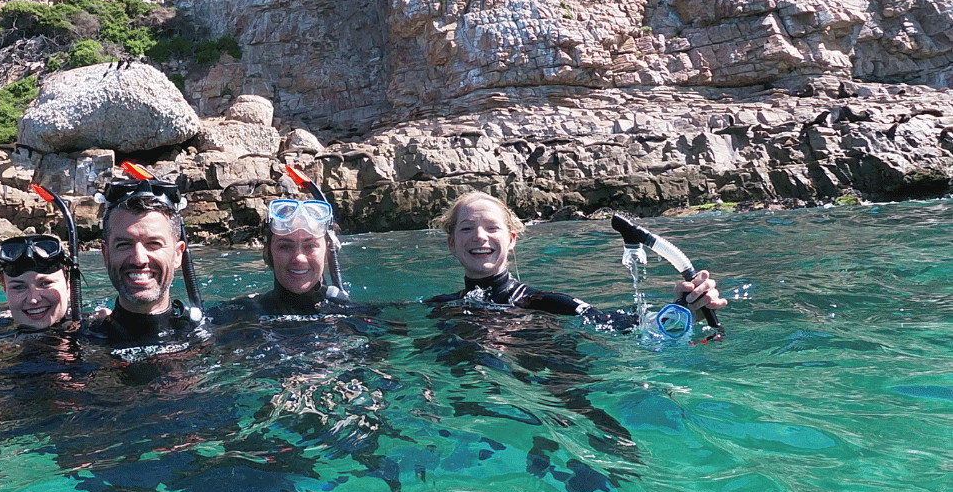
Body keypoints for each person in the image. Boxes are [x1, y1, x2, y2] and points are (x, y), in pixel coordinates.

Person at [432, 191, 726, 329]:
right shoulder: (437, 309)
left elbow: (626, 325)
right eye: (467, 228)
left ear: (511, 240)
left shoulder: (546, 304)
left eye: (492, 228)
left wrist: (682, 309)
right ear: (452, 243)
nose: (480, 237)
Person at [86, 172, 206, 350]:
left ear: (178, 254)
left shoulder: (211, 331)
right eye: (124, 245)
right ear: (106, 254)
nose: (139, 259)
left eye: (154, 244)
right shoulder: (81, 341)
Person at [220, 192, 365, 320]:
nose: (299, 258)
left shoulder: (355, 315)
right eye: (285, 246)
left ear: (328, 250)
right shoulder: (239, 315)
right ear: (268, 251)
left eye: (310, 246)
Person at [0, 234, 75, 330]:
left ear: (68, 286)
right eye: (19, 287)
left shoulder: (92, 329)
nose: (33, 300)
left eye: (45, 284)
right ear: (5, 291)